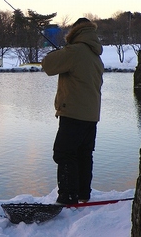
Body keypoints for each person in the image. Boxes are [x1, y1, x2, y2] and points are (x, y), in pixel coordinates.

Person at [41, 18, 104, 205]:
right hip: (91, 115)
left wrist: (62, 52)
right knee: (84, 154)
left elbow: (48, 65)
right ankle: (83, 194)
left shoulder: (75, 51)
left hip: (74, 113)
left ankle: (68, 197)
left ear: (75, 32)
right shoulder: (95, 55)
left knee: (64, 153)